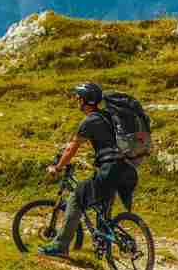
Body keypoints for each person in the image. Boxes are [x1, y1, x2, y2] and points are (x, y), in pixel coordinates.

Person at [38, 82, 139, 258]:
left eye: (79, 98)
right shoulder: (108, 116)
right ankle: (102, 246)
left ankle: (61, 246)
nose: (77, 100)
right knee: (103, 206)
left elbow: (72, 148)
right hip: (126, 169)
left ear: (86, 100)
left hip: (110, 169)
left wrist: (58, 167)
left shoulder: (90, 120)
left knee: (76, 197)